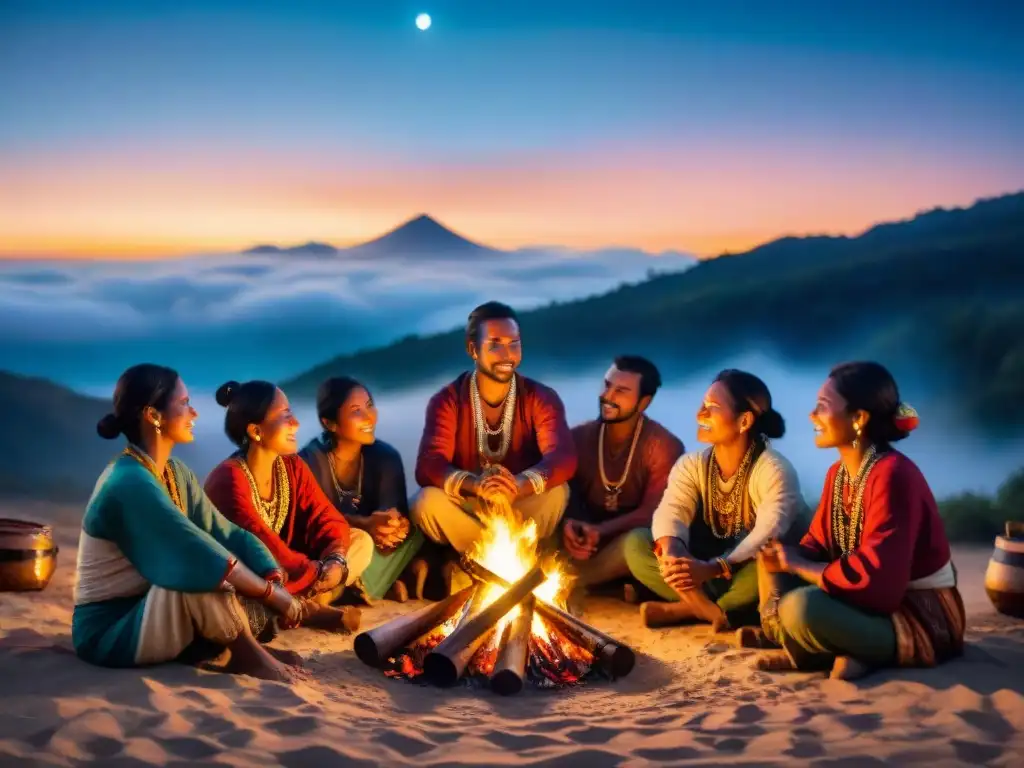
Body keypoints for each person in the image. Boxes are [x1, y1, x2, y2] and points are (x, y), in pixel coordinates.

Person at [73, 364, 307, 681]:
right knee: (201, 572)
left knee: (229, 577)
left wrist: (271, 574)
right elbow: (195, 550)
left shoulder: (175, 472)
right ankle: (247, 655)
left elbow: (225, 532)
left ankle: (246, 647)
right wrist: (273, 595)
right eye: (184, 403)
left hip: (151, 609)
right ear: (153, 416)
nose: (194, 413)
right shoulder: (127, 482)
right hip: (112, 631)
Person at [752, 362, 965, 680]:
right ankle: (836, 648)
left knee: (801, 608)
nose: (812, 416)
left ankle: (853, 651)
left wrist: (798, 566)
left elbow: (880, 584)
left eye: (822, 407)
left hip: (913, 615)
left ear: (858, 419)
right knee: (771, 564)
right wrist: (782, 556)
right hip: (865, 604)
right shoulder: (838, 475)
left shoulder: (892, 474)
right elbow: (819, 542)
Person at [623, 369, 806, 630]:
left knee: (768, 567)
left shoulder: (774, 470)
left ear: (744, 422)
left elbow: (768, 532)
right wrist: (674, 553)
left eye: (712, 407)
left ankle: (688, 609)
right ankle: (715, 611)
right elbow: (671, 511)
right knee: (637, 544)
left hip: (748, 573)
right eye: (702, 405)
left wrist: (712, 568)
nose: (700, 414)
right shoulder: (692, 465)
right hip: (703, 572)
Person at [411, 301, 577, 583]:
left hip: (521, 502)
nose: (507, 354)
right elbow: (429, 464)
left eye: (514, 344)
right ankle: (504, 563)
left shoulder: (541, 397)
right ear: (472, 349)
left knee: (557, 492)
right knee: (426, 502)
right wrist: (477, 485)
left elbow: (562, 457)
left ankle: (474, 566)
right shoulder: (447, 400)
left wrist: (518, 484)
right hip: (470, 505)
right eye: (496, 345)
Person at [204, 380, 372, 631]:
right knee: (247, 587)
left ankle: (299, 606)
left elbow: (326, 516)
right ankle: (304, 608)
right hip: (256, 573)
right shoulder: (229, 479)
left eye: (292, 414)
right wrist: (317, 573)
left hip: (296, 572)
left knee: (360, 541)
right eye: (285, 416)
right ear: (256, 431)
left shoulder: (291, 466)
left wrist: (334, 559)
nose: (296, 423)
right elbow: (263, 548)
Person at [299, 376, 428, 602]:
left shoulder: (385, 457)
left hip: (371, 548)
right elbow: (312, 524)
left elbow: (391, 512)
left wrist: (393, 525)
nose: (370, 416)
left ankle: (361, 586)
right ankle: (361, 586)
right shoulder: (310, 460)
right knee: (357, 543)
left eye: (369, 406)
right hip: (330, 548)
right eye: (356, 410)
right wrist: (365, 524)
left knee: (417, 524)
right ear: (330, 423)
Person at [564, 356, 684, 594]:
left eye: (621, 391)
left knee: (639, 542)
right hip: (581, 544)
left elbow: (654, 514)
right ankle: (600, 583)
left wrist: (602, 531)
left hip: (624, 544)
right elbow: (562, 493)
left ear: (643, 403)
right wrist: (570, 526)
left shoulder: (663, 446)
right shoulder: (578, 438)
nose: (608, 396)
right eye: (607, 385)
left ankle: (575, 582)